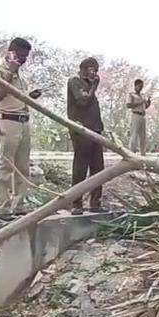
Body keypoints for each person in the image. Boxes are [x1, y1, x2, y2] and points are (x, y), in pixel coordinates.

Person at [0, 37, 41, 218]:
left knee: (23, 167)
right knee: (7, 166)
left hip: (23, 120)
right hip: (8, 121)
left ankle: (18, 205)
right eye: (20, 55)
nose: (23, 60)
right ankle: (3, 207)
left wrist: (30, 96)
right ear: (11, 53)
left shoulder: (20, 73)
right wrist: (10, 72)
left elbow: (17, 96)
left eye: (26, 57)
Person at [66, 57, 105, 214]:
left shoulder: (89, 85)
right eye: (92, 69)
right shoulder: (74, 82)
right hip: (81, 130)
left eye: (96, 70)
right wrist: (94, 87)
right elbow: (82, 101)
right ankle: (76, 203)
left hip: (95, 130)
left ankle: (95, 203)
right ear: (85, 68)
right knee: (80, 168)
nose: (94, 73)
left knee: (98, 168)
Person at [126, 78, 151, 152]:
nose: (141, 88)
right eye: (140, 86)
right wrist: (140, 102)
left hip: (142, 116)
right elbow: (128, 105)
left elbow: (145, 106)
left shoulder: (142, 96)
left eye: (142, 86)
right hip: (135, 115)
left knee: (143, 136)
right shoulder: (131, 94)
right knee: (134, 134)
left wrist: (148, 102)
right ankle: (132, 152)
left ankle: (143, 153)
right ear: (136, 86)